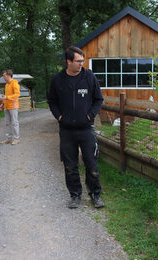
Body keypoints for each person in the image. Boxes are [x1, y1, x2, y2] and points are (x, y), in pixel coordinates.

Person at [48, 46, 105, 209]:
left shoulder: (89, 77)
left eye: (83, 61)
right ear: (68, 61)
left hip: (86, 129)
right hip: (66, 130)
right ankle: (75, 195)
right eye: (78, 61)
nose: (82, 64)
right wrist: (59, 117)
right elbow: (51, 101)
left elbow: (98, 99)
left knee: (91, 164)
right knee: (70, 165)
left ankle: (95, 194)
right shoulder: (58, 80)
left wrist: (90, 115)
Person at [0, 70, 20, 145]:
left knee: (15, 123)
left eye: (4, 75)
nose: (3, 77)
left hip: (13, 107)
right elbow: (6, 96)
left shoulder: (15, 83)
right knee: (7, 123)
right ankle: (8, 138)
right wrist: (2, 104)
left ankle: (17, 139)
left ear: (8, 75)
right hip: (7, 107)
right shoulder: (6, 84)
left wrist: (7, 97)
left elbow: (17, 94)